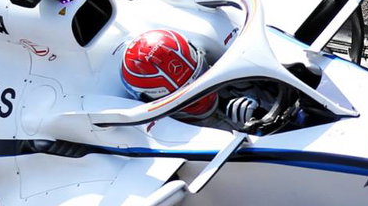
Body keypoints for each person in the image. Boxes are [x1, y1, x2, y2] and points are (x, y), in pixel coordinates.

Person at [119, 29, 282, 131]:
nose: (204, 95)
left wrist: (259, 100)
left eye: (201, 74)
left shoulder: (236, 82)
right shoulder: (174, 134)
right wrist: (247, 128)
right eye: (188, 96)